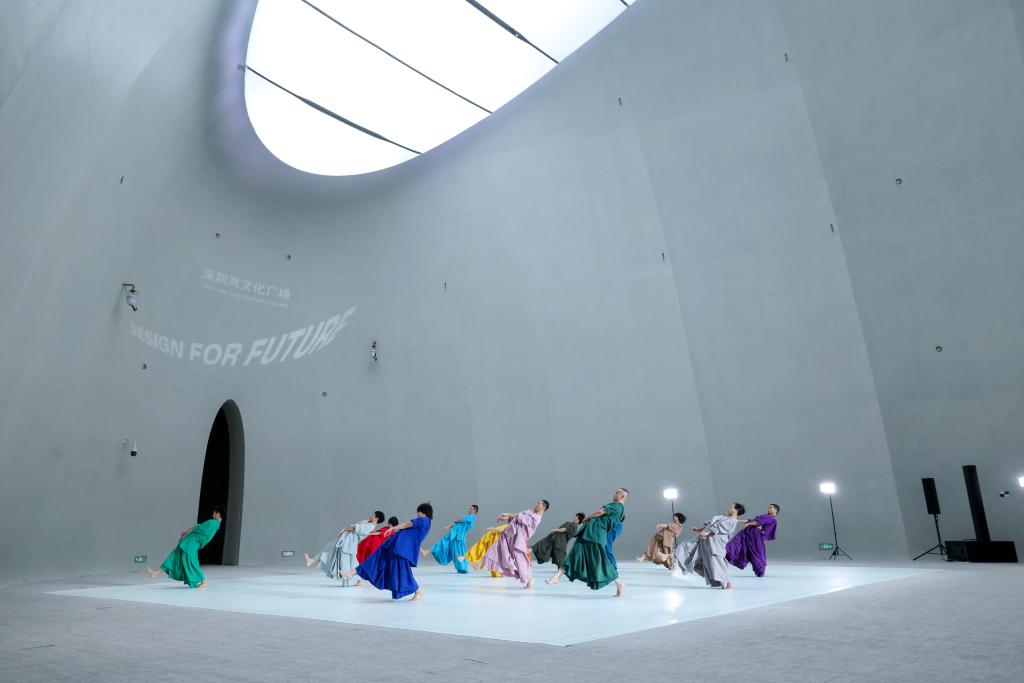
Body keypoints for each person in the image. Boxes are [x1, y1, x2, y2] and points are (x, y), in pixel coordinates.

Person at [546, 488, 628, 597]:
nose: (615, 494)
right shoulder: (619, 508)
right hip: (591, 533)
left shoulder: (617, 506)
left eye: (617, 493)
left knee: (600, 561)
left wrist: (587, 517)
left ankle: (619, 583)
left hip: (595, 535)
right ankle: (556, 577)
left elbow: (600, 512)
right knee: (575, 554)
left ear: (622, 496)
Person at [351, 503, 433, 600]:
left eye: (418, 512)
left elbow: (407, 524)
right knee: (400, 569)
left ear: (423, 512)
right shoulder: (427, 523)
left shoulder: (423, 520)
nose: (417, 514)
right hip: (402, 549)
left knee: (401, 570)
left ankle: (417, 590)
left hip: (401, 549)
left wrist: (393, 528)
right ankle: (355, 572)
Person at [673, 503, 744, 589]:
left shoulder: (732, 521)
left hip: (715, 544)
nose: (730, 508)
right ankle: (721, 582)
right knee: (689, 549)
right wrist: (700, 529)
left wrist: (707, 533)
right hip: (706, 541)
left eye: (732, 507)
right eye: (730, 507)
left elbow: (720, 529)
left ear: (736, 510)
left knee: (716, 562)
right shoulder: (724, 517)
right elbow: (712, 524)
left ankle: (727, 583)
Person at [147, 507, 223, 589]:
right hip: (191, 542)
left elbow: (197, 528)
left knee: (191, 560)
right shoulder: (216, 525)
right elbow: (201, 532)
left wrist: (187, 532)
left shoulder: (213, 522)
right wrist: (188, 533)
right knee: (176, 556)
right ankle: (156, 572)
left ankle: (203, 581)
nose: (212, 514)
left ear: (218, 514)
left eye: (214, 513)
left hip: (192, 542)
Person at [305, 511, 383, 586]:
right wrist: (374, 533)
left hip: (349, 542)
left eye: (373, 515)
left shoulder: (370, 526)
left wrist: (345, 529)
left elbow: (356, 529)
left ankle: (353, 581)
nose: (371, 515)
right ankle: (312, 560)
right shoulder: (368, 523)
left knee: (346, 561)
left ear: (377, 518)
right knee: (332, 548)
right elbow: (361, 530)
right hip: (346, 538)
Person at [482, 500, 548, 588]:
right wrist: (507, 517)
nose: (536, 505)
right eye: (537, 503)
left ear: (543, 507)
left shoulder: (536, 518)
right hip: (511, 535)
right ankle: (483, 561)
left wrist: (508, 514)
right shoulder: (531, 511)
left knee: (520, 559)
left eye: (538, 504)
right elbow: (518, 516)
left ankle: (529, 578)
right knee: (499, 547)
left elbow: (520, 517)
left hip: (519, 538)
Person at [726, 504, 779, 577]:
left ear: (775, 510)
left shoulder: (772, 518)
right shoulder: (764, 516)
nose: (768, 509)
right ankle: (727, 553)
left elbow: (758, 523)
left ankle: (760, 571)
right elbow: (752, 521)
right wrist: (738, 521)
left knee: (757, 553)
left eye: (770, 508)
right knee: (737, 543)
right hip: (747, 533)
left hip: (756, 536)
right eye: (768, 507)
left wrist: (749, 524)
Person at [422, 505, 478, 573]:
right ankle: (428, 551)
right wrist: (448, 527)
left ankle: (464, 567)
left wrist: (459, 521)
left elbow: (461, 521)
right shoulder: (467, 517)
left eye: (471, 509)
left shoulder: (473, 517)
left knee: (459, 552)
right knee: (445, 544)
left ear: (474, 510)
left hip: (459, 536)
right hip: (454, 534)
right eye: (470, 508)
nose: (469, 509)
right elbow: (457, 523)